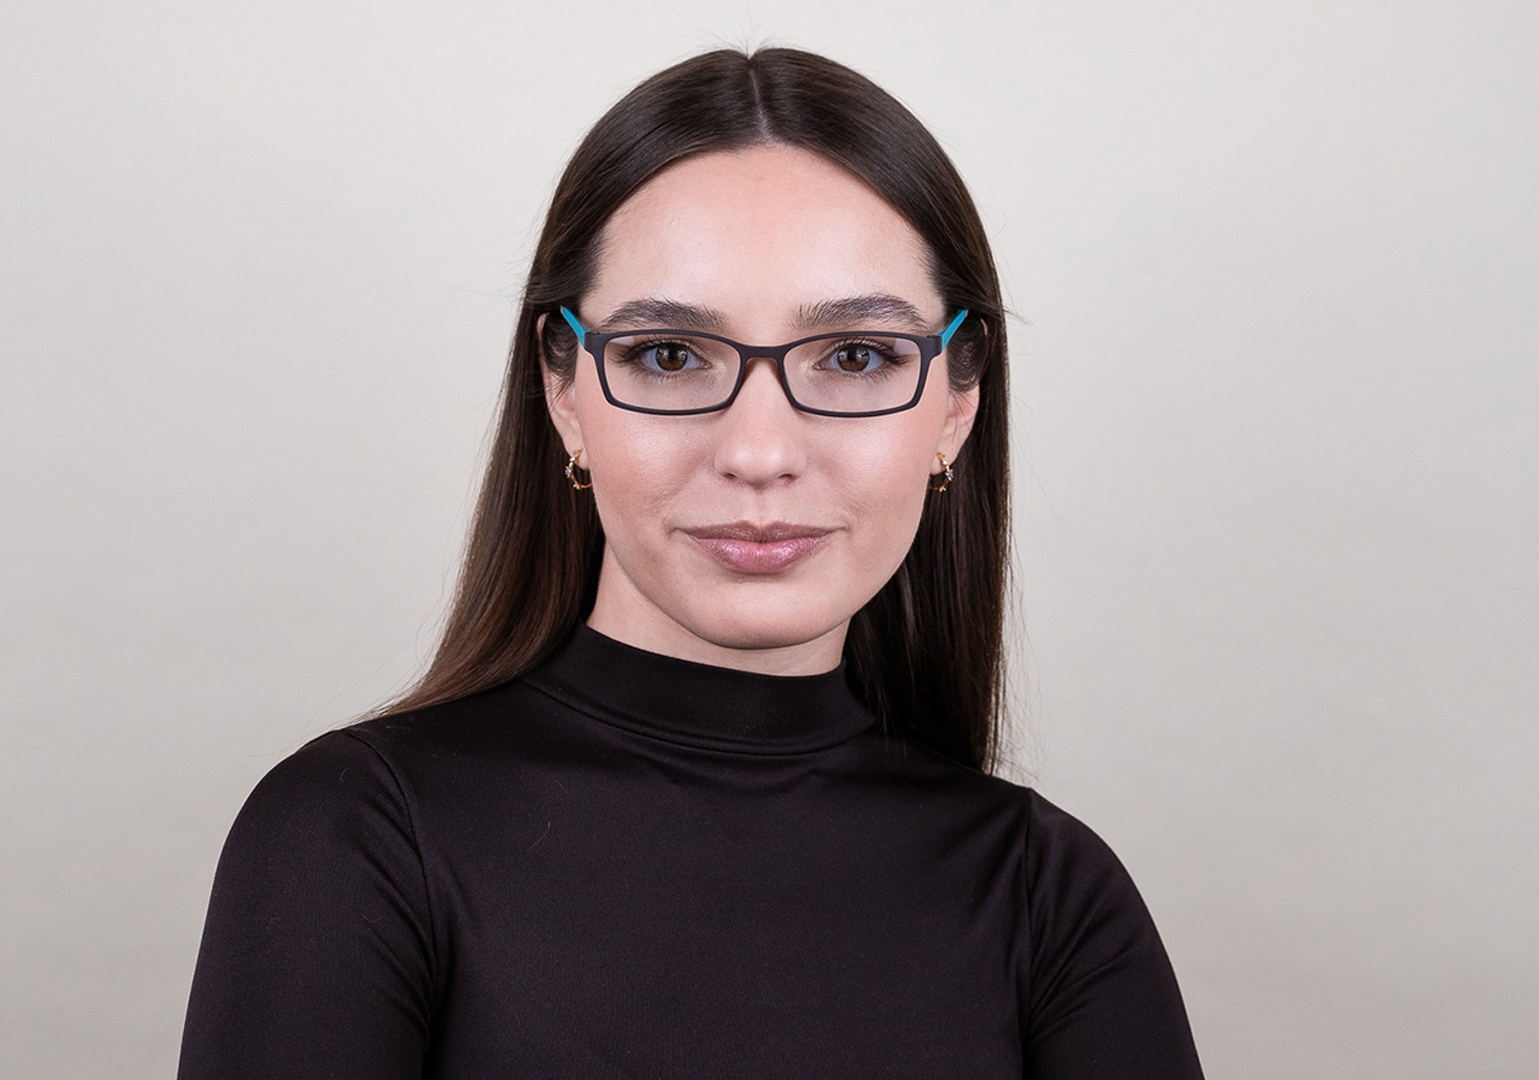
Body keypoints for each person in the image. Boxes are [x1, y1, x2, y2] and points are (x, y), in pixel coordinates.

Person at [177, 46, 1205, 1079]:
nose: (758, 452)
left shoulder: (1052, 900)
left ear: (957, 406)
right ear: (563, 392)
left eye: (856, 356)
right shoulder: (352, 837)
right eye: (669, 356)